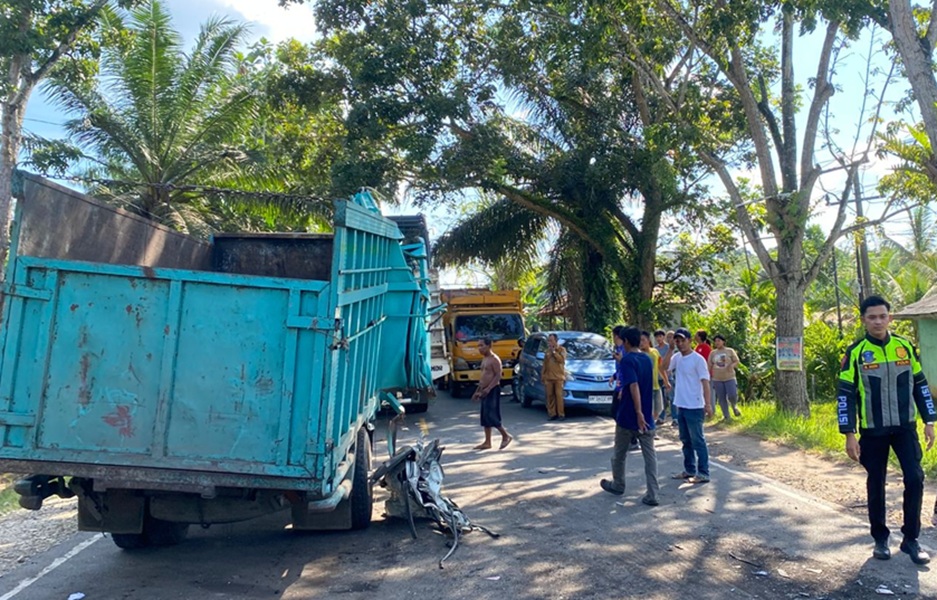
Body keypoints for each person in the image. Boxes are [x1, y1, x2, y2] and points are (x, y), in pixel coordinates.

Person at [838, 295, 935, 565]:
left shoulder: (904, 347)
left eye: (882, 316)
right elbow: (845, 394)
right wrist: (849, 433)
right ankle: (880, 538)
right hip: (873, 431)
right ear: (863, 320)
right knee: (876, 482)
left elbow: (921, 385)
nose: (878, 321)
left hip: (905, 428)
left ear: (889, 318)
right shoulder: (855, 352)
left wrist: (929, 421)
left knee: (915, 478)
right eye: (872, 317)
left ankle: (911, 539)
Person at [600, 326, 660, 506]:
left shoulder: (627, 361)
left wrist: (638, 413)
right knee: (650, 457)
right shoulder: (647, 359)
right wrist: (644, 413)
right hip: (647, 417)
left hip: (629, 416)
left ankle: (618, 484)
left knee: (619, 454)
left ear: (626, 341)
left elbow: (633, 386)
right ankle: (653, 493)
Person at [668, 328, 713, 484]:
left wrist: (708, 404)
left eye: (682, 340)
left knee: (697, 440)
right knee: (685, 440)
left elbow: (705, 382)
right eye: (677, 341)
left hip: (695, 405)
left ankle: (703, 472)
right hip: (681, 404)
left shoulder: (698, 359)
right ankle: (689, 470)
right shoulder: (676, 357)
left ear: (689, 341)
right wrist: (669, 349)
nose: (680, 343)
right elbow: (663, 368)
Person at [472, 337, 513, 450]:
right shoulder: (484, 359)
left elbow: (498, 375)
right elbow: (483, 377)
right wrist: (478, 391)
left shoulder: (495, 359)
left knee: (492, 415)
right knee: (485, 416)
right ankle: (487, 442)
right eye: (478, 346)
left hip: (493, 390)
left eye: (482, 345)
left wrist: (489, 389)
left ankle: (506, 436)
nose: (479, 348)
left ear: (489, 345)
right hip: (484, 389)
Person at [640, 331, 671, 426]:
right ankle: (650, 430)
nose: (641, 343)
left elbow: (660, 367)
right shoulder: (638, 354)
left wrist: (666, 381)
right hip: (645, 387)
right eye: (639, 341)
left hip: (656, 385)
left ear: (648, 340)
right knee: (648, 409)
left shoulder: (655, 352)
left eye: (643, 340)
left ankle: (650, 426)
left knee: (658, 409)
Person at [709, 334, 742, 420]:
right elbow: (709, 365)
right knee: (721, 397)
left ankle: (734, 406)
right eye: (715, 341)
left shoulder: (730, 351)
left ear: (723, 341)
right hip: (717, 378)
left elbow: (737, 361)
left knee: (732, 394)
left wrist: (732, 366)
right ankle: (726, 416)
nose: (717, 343)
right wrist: (708, 375)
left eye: (719, 341)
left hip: (729, 377)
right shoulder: (713, 353)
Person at [541, 333, 568, 421]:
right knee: (550, 396)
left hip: (559, 377)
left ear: (556, 341)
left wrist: (554, 352)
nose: (549, 343)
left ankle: (561, 414)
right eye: (548, 341)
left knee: (559, 396)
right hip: (549, 377)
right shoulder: (547, 352)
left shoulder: (561, 349)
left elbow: (561, 360)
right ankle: (552, 414)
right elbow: (545, 364)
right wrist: (543, 375)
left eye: (551, 341)